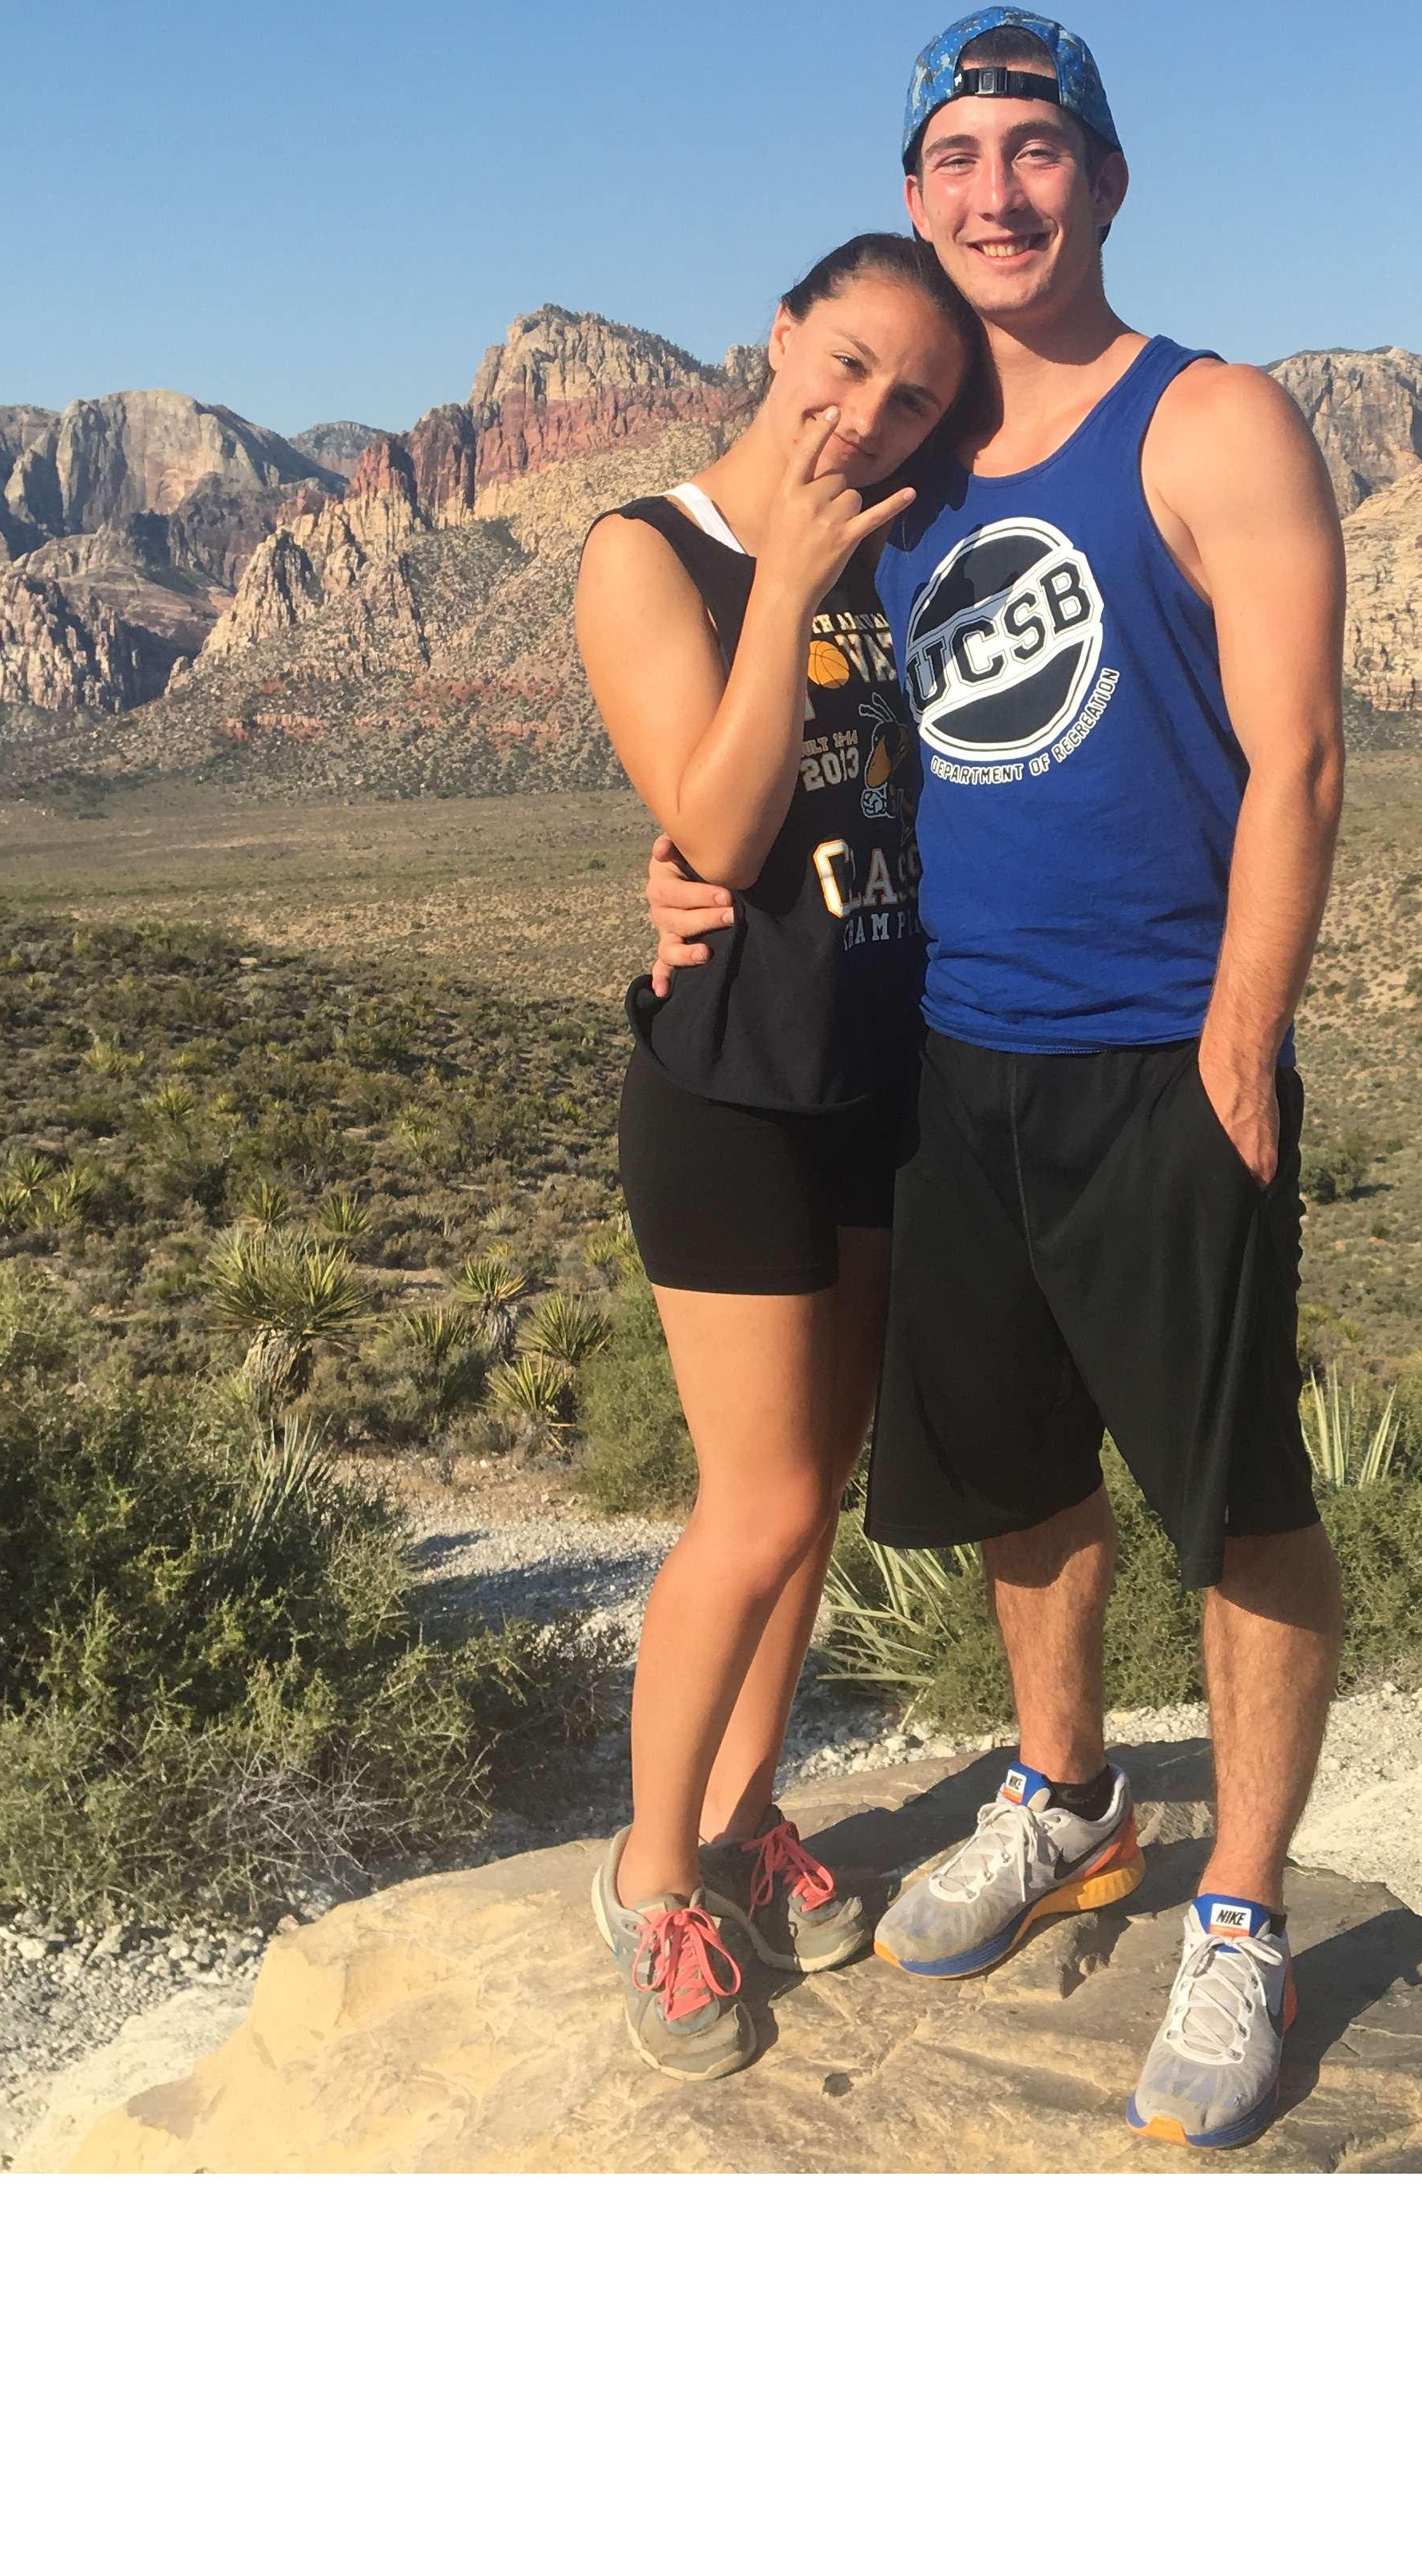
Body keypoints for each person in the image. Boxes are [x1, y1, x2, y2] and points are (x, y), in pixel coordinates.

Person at [647, 8, 1349, 2147]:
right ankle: (1064, 1794)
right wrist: (668, 869)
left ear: (1105, 179)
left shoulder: (1208, 420)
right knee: (1022, 1477)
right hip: (958, 1054)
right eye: (955, 158)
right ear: (915, 195)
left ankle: (1241, 1909)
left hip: (1165, 1051)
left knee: (1234, 1494)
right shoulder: (908, 469)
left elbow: (1302, 758)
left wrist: (1244, 1030)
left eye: (1036, 150)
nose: (997, 191)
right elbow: (792, 730)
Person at [572, 231, 984, 2077]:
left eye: (914, 397)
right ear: (780, 337)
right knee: (747, 1507)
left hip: (881, 1073)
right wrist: (795, 579)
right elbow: (723, 831)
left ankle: (744, 1822)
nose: (869, 413)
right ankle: (650, 1877)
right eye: (848, 362)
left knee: (814, 1497)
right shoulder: (648, 554)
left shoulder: (910, 549)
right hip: (734, 1088)